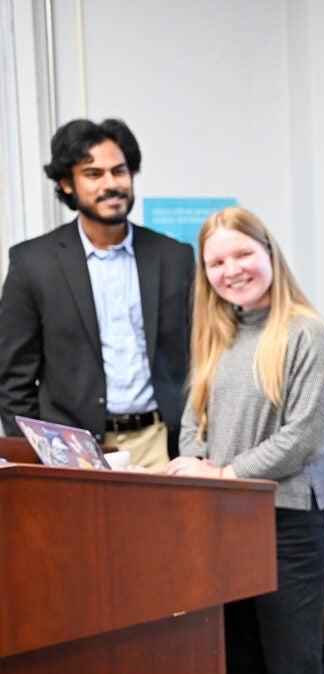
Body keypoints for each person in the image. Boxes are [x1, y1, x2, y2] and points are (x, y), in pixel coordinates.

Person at [166, 206, 324, 674]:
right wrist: (194, 464)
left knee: (292, 672)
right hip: (221, 522)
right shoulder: (218, 335)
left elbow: (306, 438)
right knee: (237, 666)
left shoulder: (307, 333)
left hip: (286, 527)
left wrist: (224, 475)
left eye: (243, 254)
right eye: (217, 262)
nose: (232, 270)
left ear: (269, 252)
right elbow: (193, 420)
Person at [0, 118, 194, 471]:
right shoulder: (32, 263)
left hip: (161, 442)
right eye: (93, 174)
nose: (111, 184)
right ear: (67, 183)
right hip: (71, 449)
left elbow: (201, 355)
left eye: (119, 171)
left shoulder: (175, 257)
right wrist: (39, 454)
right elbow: (14, 379)